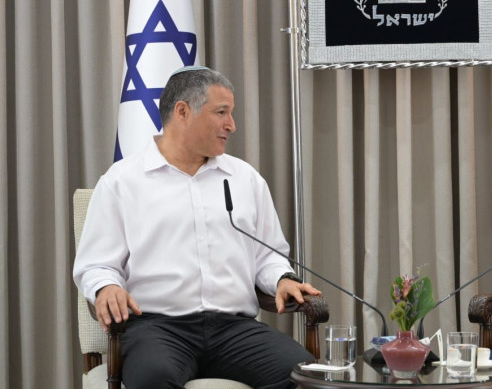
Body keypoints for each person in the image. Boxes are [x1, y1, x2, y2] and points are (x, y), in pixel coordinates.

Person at [73, 66, 321, 389]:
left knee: (305, 376)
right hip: (156, 329)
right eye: (222, 112)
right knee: (153, 379)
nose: (232, 125)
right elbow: (96, 265)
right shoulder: (121, 182)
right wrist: (106, 287)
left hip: (234, 330)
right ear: (182, 112)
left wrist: (282, 279)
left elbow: (268, 256)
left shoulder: (245, 179)